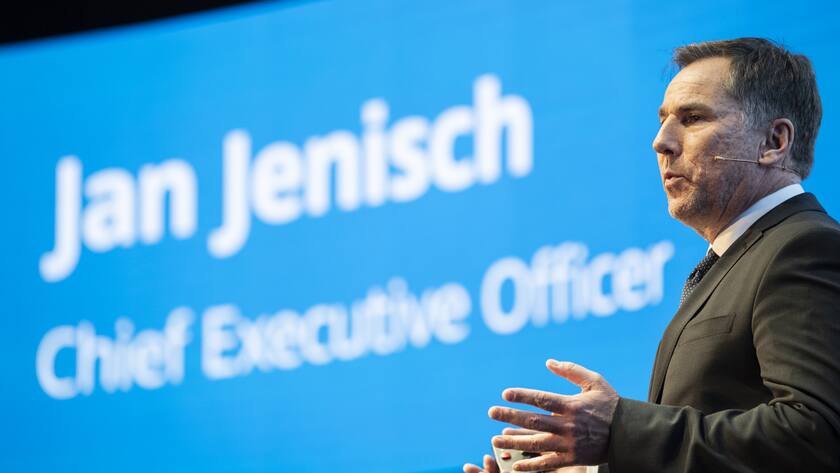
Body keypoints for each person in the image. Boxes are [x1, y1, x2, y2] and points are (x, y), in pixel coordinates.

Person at [464, 37, 840, 473]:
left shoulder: (804, 248)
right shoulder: (736, 260)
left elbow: (816, 435)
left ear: (774, 141)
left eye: (693, 118)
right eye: (662, 120)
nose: (661, 142)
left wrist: (621, 429)